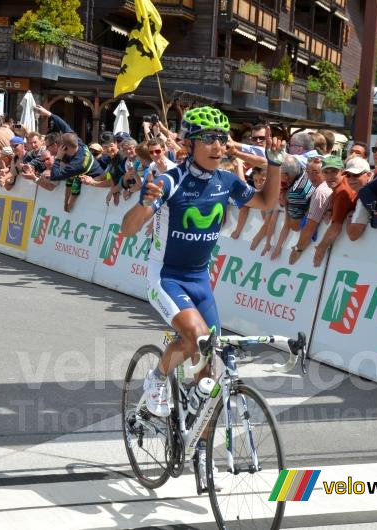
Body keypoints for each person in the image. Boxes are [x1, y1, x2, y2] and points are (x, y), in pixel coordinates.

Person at [120, 108, 280, 458]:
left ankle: (201, 458)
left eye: (222, 138)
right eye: (207, 138)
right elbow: (128, 229)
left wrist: (275, 164)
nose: (217, 145)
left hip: (199, 280)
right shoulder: (170, 180)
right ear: (190, 143)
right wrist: (145, 202)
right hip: (166, 277)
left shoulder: (226, 182)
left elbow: (268, 202)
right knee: (197, 334)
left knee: (208, 379)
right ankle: (158, 377)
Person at [309, 156, 358, 267]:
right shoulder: (341, 185)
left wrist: (320, 248)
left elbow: (336, 228)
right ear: (322, 174)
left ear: (342, 172)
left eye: (334, 172)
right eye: (326, 172)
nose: (330, 177)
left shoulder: (342, 192)